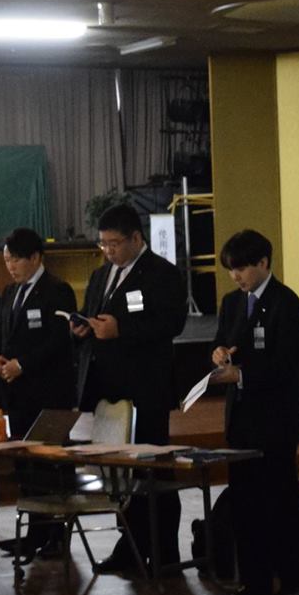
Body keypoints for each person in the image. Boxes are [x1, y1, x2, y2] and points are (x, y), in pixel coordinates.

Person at [70, 204, 187, 575]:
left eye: (115, 243)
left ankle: (165, 552)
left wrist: (121, 330)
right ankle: (131, 548)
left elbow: (172, 323)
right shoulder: (100, 275)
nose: (108, 251)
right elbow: (93, 314)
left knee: (154, 471)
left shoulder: (162, 273)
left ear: (136, 237)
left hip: (146, 389)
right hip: (108, 390)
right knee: (121, 475)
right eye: (103, 244)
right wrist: (83, 328)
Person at [208, 229, 299, 595]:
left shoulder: (286, 303)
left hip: (274, 420)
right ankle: (255, 579)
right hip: (240, 419)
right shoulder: (232, 302)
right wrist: (219, 354)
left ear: (264, 263)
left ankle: (295, 580)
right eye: (231, 269)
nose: (236, 276)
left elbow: (286, 364)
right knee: (245, 503)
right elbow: (221, 341)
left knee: (280, 502)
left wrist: (243, 375)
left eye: (242, 268)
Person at [0, 228, 77, 437]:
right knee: (19, 452)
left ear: (35, 258)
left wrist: (21, 364)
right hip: (15, 395)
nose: (10, 267)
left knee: (49, 453)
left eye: (16, 260)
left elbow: (58, 340)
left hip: (47, 393)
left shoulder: (57, 290)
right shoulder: (10, 291)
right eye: (7, 260)